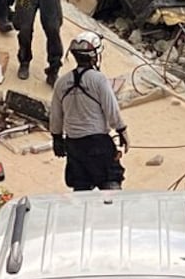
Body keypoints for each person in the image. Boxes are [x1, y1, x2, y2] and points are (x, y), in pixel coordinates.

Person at [49, 31, 128, 191]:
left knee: (81, 190)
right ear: (95, 56)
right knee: (111, 184)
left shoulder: (61, 82)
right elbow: (111, 110)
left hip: (74, 145)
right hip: (98, 143)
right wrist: (122, 131)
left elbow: (56, 116)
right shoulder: (98, 79)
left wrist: (57, 138)